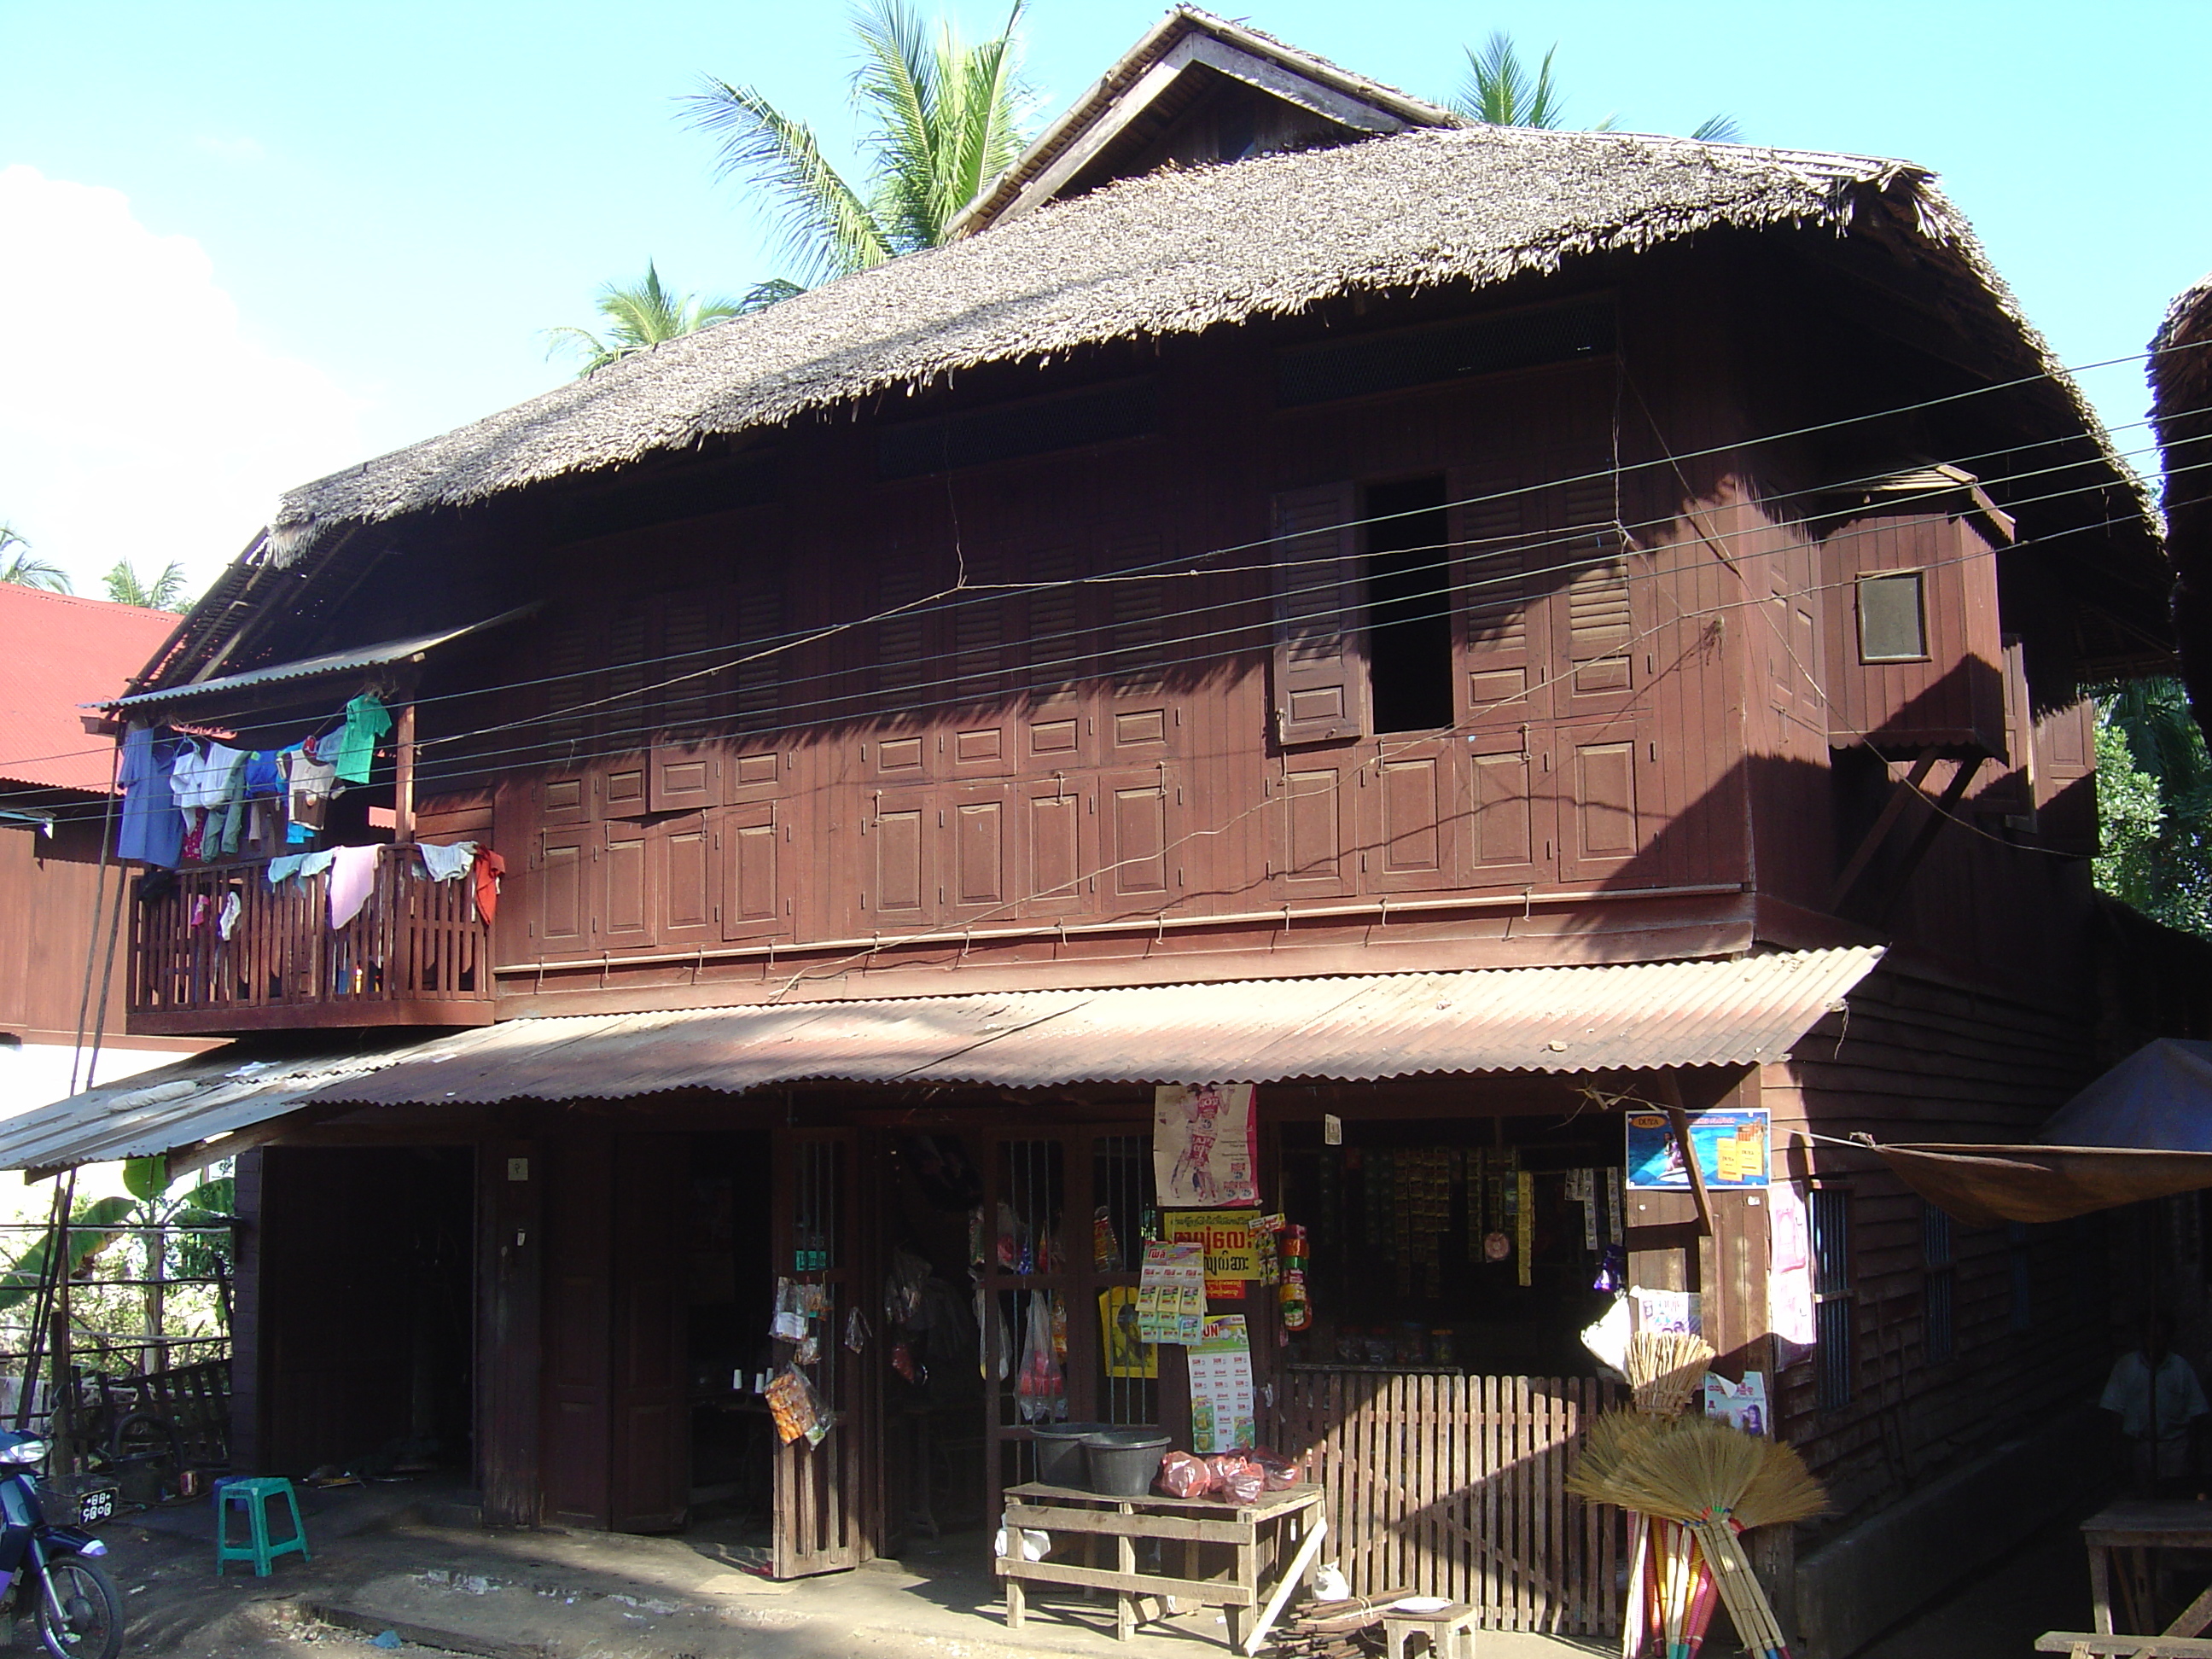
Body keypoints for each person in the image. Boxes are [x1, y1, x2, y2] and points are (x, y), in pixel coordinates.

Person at [2100, 1312, 2210, 1495]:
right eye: (2150, 1337)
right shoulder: (2126, 1367)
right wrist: (2115, 1449)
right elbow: (2114, 1409)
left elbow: (2196, 1411)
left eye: (2160, 1338)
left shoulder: (2180, 1368)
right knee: (2143, 1499)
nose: (2154, 1343)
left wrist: (2194, 1451)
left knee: (2174, 1496)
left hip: (2174, 1447)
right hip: (2140, 1446)